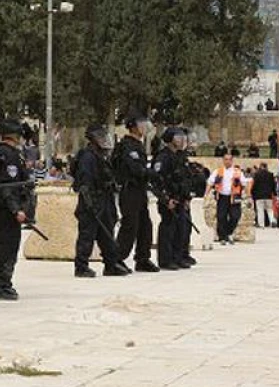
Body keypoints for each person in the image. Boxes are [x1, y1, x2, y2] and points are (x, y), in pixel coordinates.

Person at [0, 119, 33, 301]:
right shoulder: (9, 156)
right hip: (5, 212)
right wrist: (16, 210)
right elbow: (7, 186)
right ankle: (0, 285)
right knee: (6, 248)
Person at [73, 126, 131, 278]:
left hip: (105, 200)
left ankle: (110, 264)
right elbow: (85, 182)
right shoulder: (88, 157)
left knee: (107, 234)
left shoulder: (102, 157)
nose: (104, 141)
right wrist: (89, 202)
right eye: (101, 138)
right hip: (92, 201)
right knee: (87, 235)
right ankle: (81, 266)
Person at [113, 115, 159, 272]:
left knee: (145, 225)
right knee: (129, 225)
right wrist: (149, 173)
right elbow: (135, 169)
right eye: (141, 125)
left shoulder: (138, 145)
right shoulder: (127, 146)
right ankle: (117, 258)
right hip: (129, 190)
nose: (144, 128)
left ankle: (142, 258)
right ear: (133, 126)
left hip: (139, 191)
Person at [151, 128, 193, 269]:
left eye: (182, 137)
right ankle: (165, 260)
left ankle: (178, 256)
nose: (181, 140)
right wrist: (166, 198)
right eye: (177, 137)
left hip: (180, 198)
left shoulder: (179, 157)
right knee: (168, 229)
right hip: (169, 199)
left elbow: (184, 179)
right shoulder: (163, 157)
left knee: (181, 229)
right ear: (170, 139)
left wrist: (186, 197)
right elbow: (157, 180)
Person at [210, 154, 246, 245]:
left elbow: (245, 183)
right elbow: (210, 182)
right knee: (221, 217)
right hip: (222, 197)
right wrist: (206, 194)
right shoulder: (218, 171)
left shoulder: (238, 172)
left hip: (234, 197)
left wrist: (247, 195)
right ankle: (222, 237)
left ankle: (228, 232)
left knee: (235, 216)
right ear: (223, 160)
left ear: (232, 161)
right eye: (225, 159)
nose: (227, 161)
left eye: (229, 160)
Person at [251, 162, 277, 228]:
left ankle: (261, 224)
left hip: (259, 195)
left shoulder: (257, 174)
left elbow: (255, 185)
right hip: (268, 195)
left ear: (261, 166)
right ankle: (272, 221)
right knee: (270, 209)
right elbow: (273, 185)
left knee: (260, 210)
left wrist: (252, 192)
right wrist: (274, 193)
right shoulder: (270, 174)